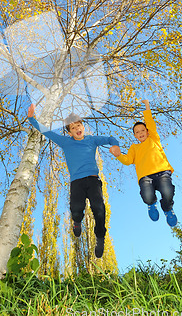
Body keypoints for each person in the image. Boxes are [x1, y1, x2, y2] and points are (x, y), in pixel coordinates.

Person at [27, 105, 121, 258]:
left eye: (79, 125)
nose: (77, 128)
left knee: (99, 208)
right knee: (76, 208)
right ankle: (77, 221)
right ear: (69, 132)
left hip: (93, 180)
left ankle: (100, 237)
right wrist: (32, 119)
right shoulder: (66, 142)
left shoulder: (92, 139)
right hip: (77, 182)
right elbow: (46, 131)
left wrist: (115, 144)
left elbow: (109, 138)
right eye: (73, 127)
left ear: (83, 126)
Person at [115, 99, 177, 227]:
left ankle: (168, 209)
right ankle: (152, 204)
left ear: (147, 131)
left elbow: (150, 122)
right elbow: (127, 160)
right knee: (147, 196)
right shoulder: (134, 148)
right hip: (145, 177)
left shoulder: (154, 138)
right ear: (135, 136)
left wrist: (147, 106)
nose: (140, 133)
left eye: (142, 130)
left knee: (168, 192)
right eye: (137, 132)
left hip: (162, 172)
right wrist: (118, 155)